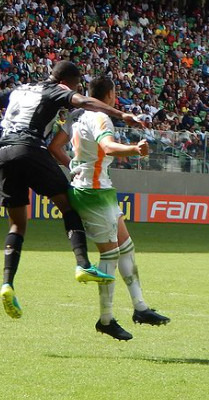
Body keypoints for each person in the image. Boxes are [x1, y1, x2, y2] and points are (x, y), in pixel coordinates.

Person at [0, 60, 142, 319]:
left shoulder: (19, 89)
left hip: (3, 151)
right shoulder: (57, 90)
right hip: (29, 148)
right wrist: (120, 115)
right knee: (68, 203)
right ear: (67, 82)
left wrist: (70, 165)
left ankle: (7, 283)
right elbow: (86, 102)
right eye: (76, 86)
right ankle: (83, 265)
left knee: (17, 225)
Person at [49, 76, 170, 340]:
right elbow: (108, 147)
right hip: (93, 194)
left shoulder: (77, 115)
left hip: (99, 189)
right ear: (111, 95)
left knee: (126, 246)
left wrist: (74, 167)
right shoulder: (100, 118)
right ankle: (106, 320)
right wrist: (134, 149)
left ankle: (140, 308)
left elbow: (55, 147)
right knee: (110, 256)